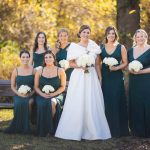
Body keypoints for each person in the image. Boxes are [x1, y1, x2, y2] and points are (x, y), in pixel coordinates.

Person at [55, 25, 111, 141]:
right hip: (78, 76)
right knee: (78, 99)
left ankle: (93, 130)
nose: (86, 34)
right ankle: (74, 129)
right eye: (84, 32)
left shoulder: (94, 46)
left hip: (91, 76)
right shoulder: (74, 47)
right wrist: (81, 66)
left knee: (91, 100)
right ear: (79, 33)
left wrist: (100, 78)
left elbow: (96, 64)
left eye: (88, 32)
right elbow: (70, 63)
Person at [100, 26, 129, 137]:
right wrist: (100, 77)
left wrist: (116, 68)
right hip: (105, 77)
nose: (111, 35)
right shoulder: (101, 47)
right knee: (106, 100)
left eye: (113, 33)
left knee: (117, 100)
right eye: (109, 33)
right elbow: (98, 63)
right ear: (106, 35)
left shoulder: (121, 47)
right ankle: (106, 129)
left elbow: (125, 62)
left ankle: (119, 130)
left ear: (115, 35)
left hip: (116, 77)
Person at [34, 51, 66, 137]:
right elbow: (36, 87)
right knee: (43, 104)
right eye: (46, 57)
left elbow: (63, 87)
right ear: (44, 60)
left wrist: (53, 94)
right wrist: (42, 94)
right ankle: (45, 128)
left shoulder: (60, 70)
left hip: (57, 95)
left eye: (50, 57)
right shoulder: (39, 71)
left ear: (54, 58)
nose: (48, 59)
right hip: (42, 95)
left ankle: (48, 128)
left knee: (52, 102)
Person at [5, 49, 35, 134]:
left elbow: (36, 86)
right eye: (23, 57)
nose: (25, 59)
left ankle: (26, 125)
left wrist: (30, 94)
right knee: (18, 103)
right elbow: (13, 86)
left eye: (27, 57)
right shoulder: (16, 70)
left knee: (29, 102)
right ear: (20, 58)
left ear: (29, 58)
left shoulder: (33, 70)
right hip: (19, 95)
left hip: (31, 94)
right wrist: (19, 94)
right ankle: (19, 126)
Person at [128, 29, 150, 137]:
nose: (140, 38)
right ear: (135, 38)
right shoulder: (130, 50)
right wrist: (130, 70)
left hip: (146, 81)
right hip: (134, 82)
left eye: (142, 36)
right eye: (138, 37)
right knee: (136, 103)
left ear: (146, 37)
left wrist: (141, 71)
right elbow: (127, 65)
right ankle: (137, 131)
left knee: (147, 103)